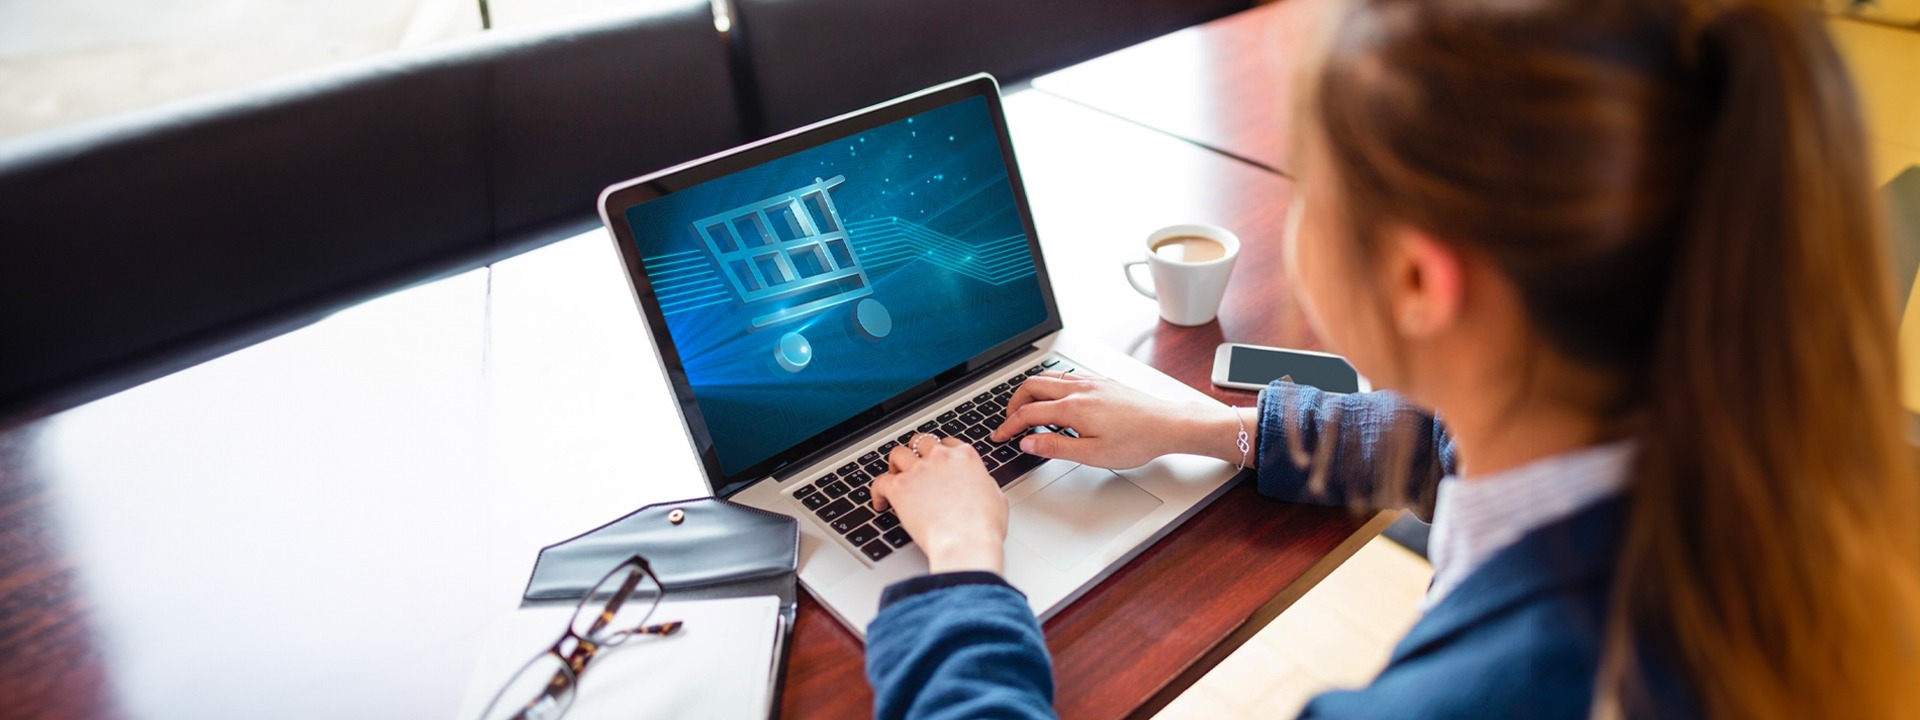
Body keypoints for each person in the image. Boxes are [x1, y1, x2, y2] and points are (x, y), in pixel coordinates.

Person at [862, 0, 1920, 717]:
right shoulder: (1730, 429)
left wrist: (962, 571)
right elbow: (1445, 442)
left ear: (1420, 280)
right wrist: (1208, 428)